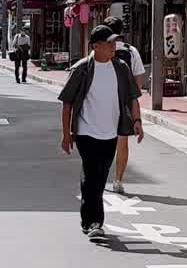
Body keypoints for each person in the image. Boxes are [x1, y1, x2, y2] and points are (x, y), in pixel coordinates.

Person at [59, 25, 143, 238]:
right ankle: (93, 223)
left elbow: (132, 97)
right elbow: (67, 102)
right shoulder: (82, 69)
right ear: (96, 46)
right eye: (109, 43)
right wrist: (67, 134)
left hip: (110, 132)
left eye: (114, 42)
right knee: (91, 174)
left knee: (101, 174)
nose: (114, 46)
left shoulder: (121, 67)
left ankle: (91, 220)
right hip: (86, 132)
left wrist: (137, 121)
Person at [110, 24, 145, 195]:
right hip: (124, 103)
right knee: (121, 143)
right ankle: (118, 181)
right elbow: (138, 86)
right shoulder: (131, 51)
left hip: (102, 102)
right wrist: (136, 114)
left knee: (101, 143)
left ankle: (98, 177)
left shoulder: (99, 50)